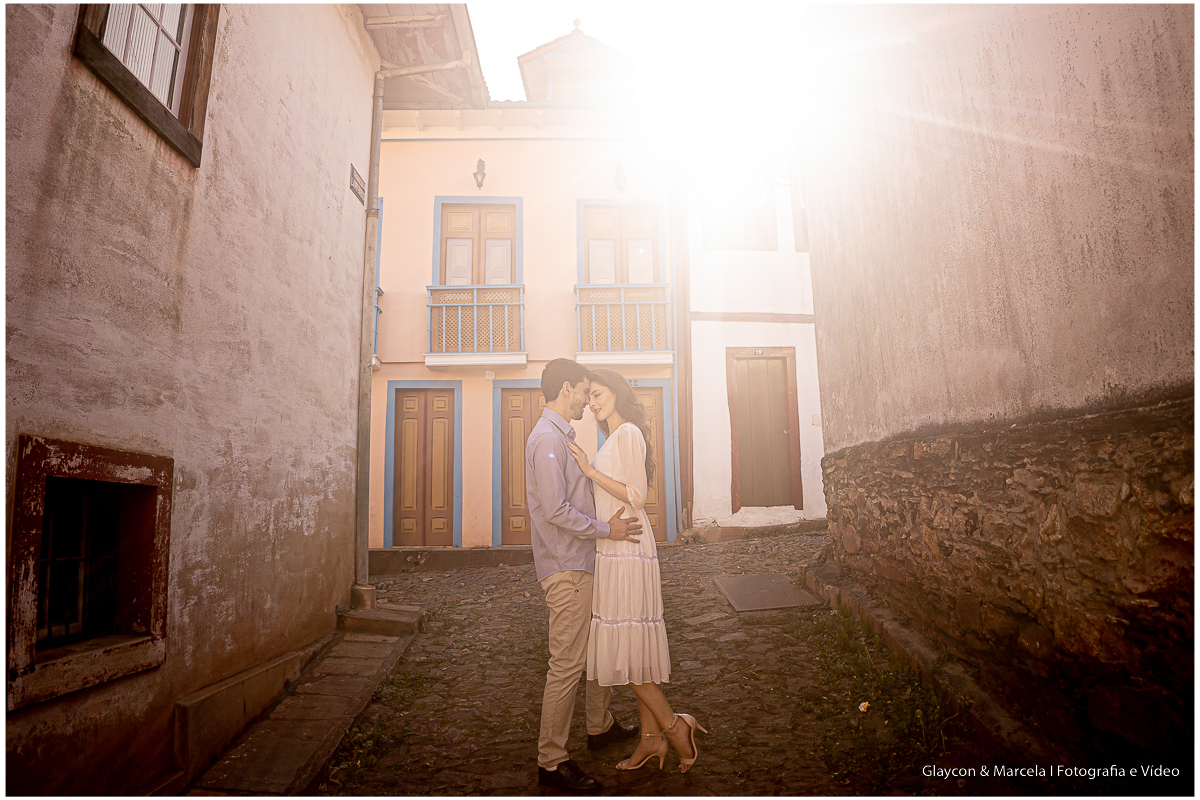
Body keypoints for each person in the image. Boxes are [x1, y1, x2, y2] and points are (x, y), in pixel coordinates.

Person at [567, 368, 708, 773]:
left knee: (625, 650)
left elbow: (636, 495)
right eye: (589, 397)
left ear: (616, 393)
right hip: (616, 545)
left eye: (597, 394)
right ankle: (650, 740)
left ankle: (674, 726)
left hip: (626, 545)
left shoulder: (626, 432)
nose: (592, 403)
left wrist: (589, 471)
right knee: (635, 649)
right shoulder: (615, 435)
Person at [526, 358, 642, 794]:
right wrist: (606, 529)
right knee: (567, 664)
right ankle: (551, 764)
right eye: (584, 392)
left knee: (594, 651)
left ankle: (600, 726)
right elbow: (555, 511)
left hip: (585, 563)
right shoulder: (547, 441)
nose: (587, 401)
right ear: (567, 389)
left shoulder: (562, 437)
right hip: (568, 568)